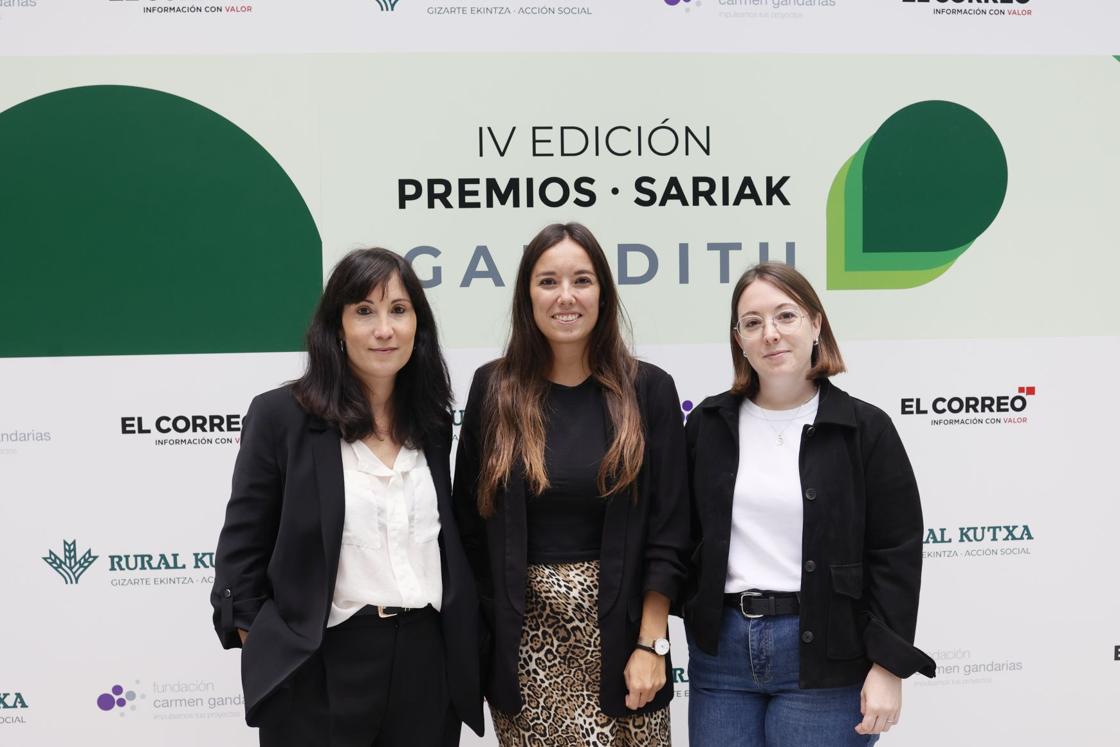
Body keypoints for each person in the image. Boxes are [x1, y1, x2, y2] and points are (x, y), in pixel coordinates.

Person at [210, 248, 482, 747]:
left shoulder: (434, 422)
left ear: (417, 325)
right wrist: (275, 648)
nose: (385, 329)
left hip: (427, 661)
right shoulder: (281, 417)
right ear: (336, 327)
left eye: (399, 310)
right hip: (322, 664)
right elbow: (240, 558)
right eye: (365, 311)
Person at [452, 222, 689, 746]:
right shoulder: (493, 390)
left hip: (624, 647)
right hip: (523, 648)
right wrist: (487, 642)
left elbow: (670, 530)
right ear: (526, 295)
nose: (566, 297)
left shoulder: (648, 390)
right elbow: (467, 526)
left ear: (602, 292)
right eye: (548, 282)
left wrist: (653, 645)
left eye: (581, 280)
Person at [682, 262, 935, 746]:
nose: (770, 334)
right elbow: (679, 535)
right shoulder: (708, 426)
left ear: (816, 323)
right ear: (739, 339)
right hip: (722, 659)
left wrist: (888, 665)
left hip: (829, 657)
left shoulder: (864, 429)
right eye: (752, 323)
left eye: (785, 316)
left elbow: (896, 553)